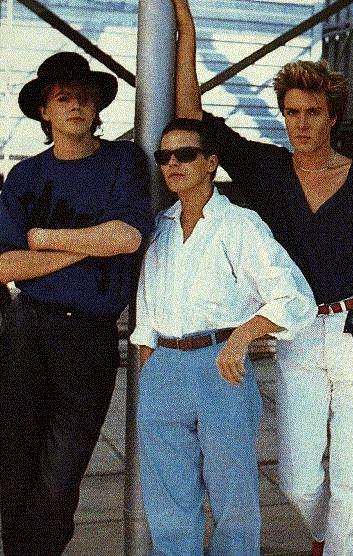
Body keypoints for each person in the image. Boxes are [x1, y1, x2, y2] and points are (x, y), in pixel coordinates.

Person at [170, 2, 353, 554]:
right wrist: (187, 30)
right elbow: (191, 117)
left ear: (333, 117)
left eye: (312, 112)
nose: (301, 123)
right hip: (297, 335)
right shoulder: (267, 170)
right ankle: (328, 537)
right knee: (298, 477)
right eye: (291, 112)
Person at [130, 118, 316, 554]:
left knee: (233, 499)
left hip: (220, 365)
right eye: (164, 157)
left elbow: (295, 297)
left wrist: (241, 337)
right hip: (163, 367)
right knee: (168, 502)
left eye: (185, 154)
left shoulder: (239, 225)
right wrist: (152, 368)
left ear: (211, 162)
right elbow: (146, 311)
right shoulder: (160, 228)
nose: (173, 164)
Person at [0, 52, 152, 555]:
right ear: (44, 111)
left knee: (61, 472)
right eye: (63, 97)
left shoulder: (123, 161)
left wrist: (43, 238)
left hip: (87, 336)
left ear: (98, 107)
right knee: (12, 464)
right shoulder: (24, 176)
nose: (76, 105)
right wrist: (86, 245)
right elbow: (5, 266)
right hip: (26, 331)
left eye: (85, 97)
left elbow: (126, 237)